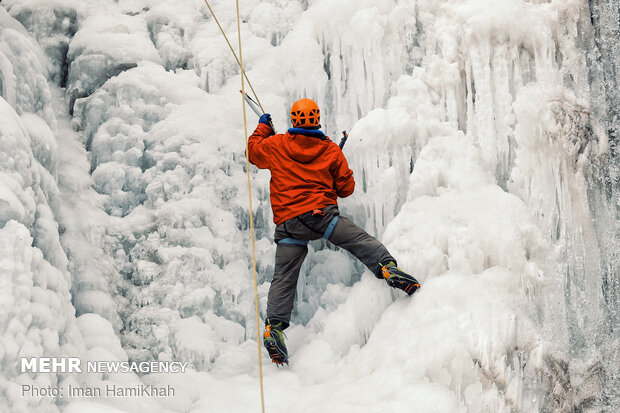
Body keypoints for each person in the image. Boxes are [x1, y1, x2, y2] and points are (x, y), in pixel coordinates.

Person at [247, 98, 420, 365]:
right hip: (321, 217)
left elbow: (254, 151)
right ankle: (387, 267)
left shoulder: (276, 144)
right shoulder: (329, 149)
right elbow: (346, 189)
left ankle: (274, 328)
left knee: (284, 277)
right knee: (359, 241)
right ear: (316, 119)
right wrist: (334, 164)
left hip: (289, 223)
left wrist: (263, 128)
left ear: (294, 120)